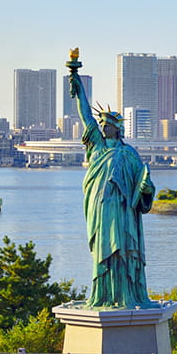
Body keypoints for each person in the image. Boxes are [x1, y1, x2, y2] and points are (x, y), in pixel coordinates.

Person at [70, 69, 155, 309]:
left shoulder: (129, 154)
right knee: (102, 250)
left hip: (123, 208)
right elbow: (85, 115)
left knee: (124, 250)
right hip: (99, 207)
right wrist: (78, 87)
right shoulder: (95, 146)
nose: (103, 127)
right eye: (102, 123)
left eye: (108, 124)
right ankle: (103, 295)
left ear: (118, 128)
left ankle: (126, 294)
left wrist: (147, 188)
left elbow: (143, 184)